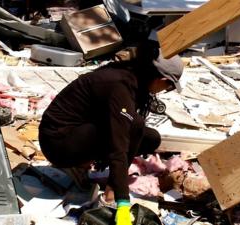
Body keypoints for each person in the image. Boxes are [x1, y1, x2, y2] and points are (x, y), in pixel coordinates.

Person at [38, 41, 184, 225]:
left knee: (150, 138)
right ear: (161, 79)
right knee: (133, 126)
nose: (166, 91)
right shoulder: (119, 85)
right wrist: (122, 201)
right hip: (57, 142)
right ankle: (109, 195)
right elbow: (119, 146)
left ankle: (84, 165)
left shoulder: (132, 78)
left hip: (79, 132)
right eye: (169, 87)